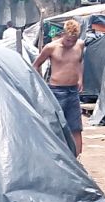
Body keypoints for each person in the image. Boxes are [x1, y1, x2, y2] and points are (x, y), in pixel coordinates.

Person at [34, 19, 86, 155]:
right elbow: (35, 65)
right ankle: (56, 157)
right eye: (68, 40)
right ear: (63, 34)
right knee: (55, 126)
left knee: (76, 127)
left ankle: (77, 160)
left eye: (73, 41)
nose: (70, 43)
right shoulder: (51, 47)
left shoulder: (80, 45)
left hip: (73, 91)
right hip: (56, 91)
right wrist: (41, 84)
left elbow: (80, 61)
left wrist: (80, 78)